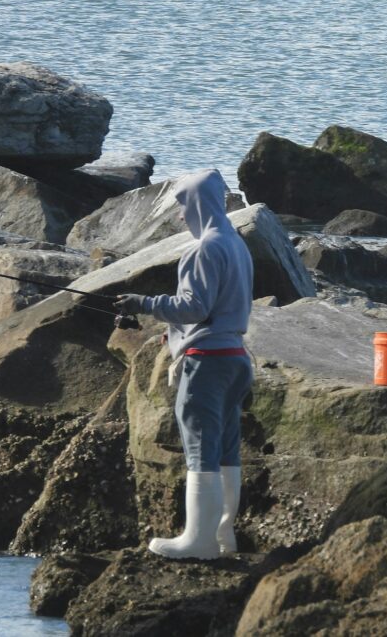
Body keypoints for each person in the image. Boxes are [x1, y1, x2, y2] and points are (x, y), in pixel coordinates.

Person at [114, 169, 254, 559]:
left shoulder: (202, 248)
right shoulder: (235, 242)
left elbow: (194, 306)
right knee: (227, 449)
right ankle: (224, 536)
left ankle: (199, 541)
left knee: (200, 448)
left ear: (195, 204)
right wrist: (175, 333)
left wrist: (144, 303)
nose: (179, 217)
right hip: (235, 359)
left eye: (181, 207)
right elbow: (220, 308)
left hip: (207, 364)